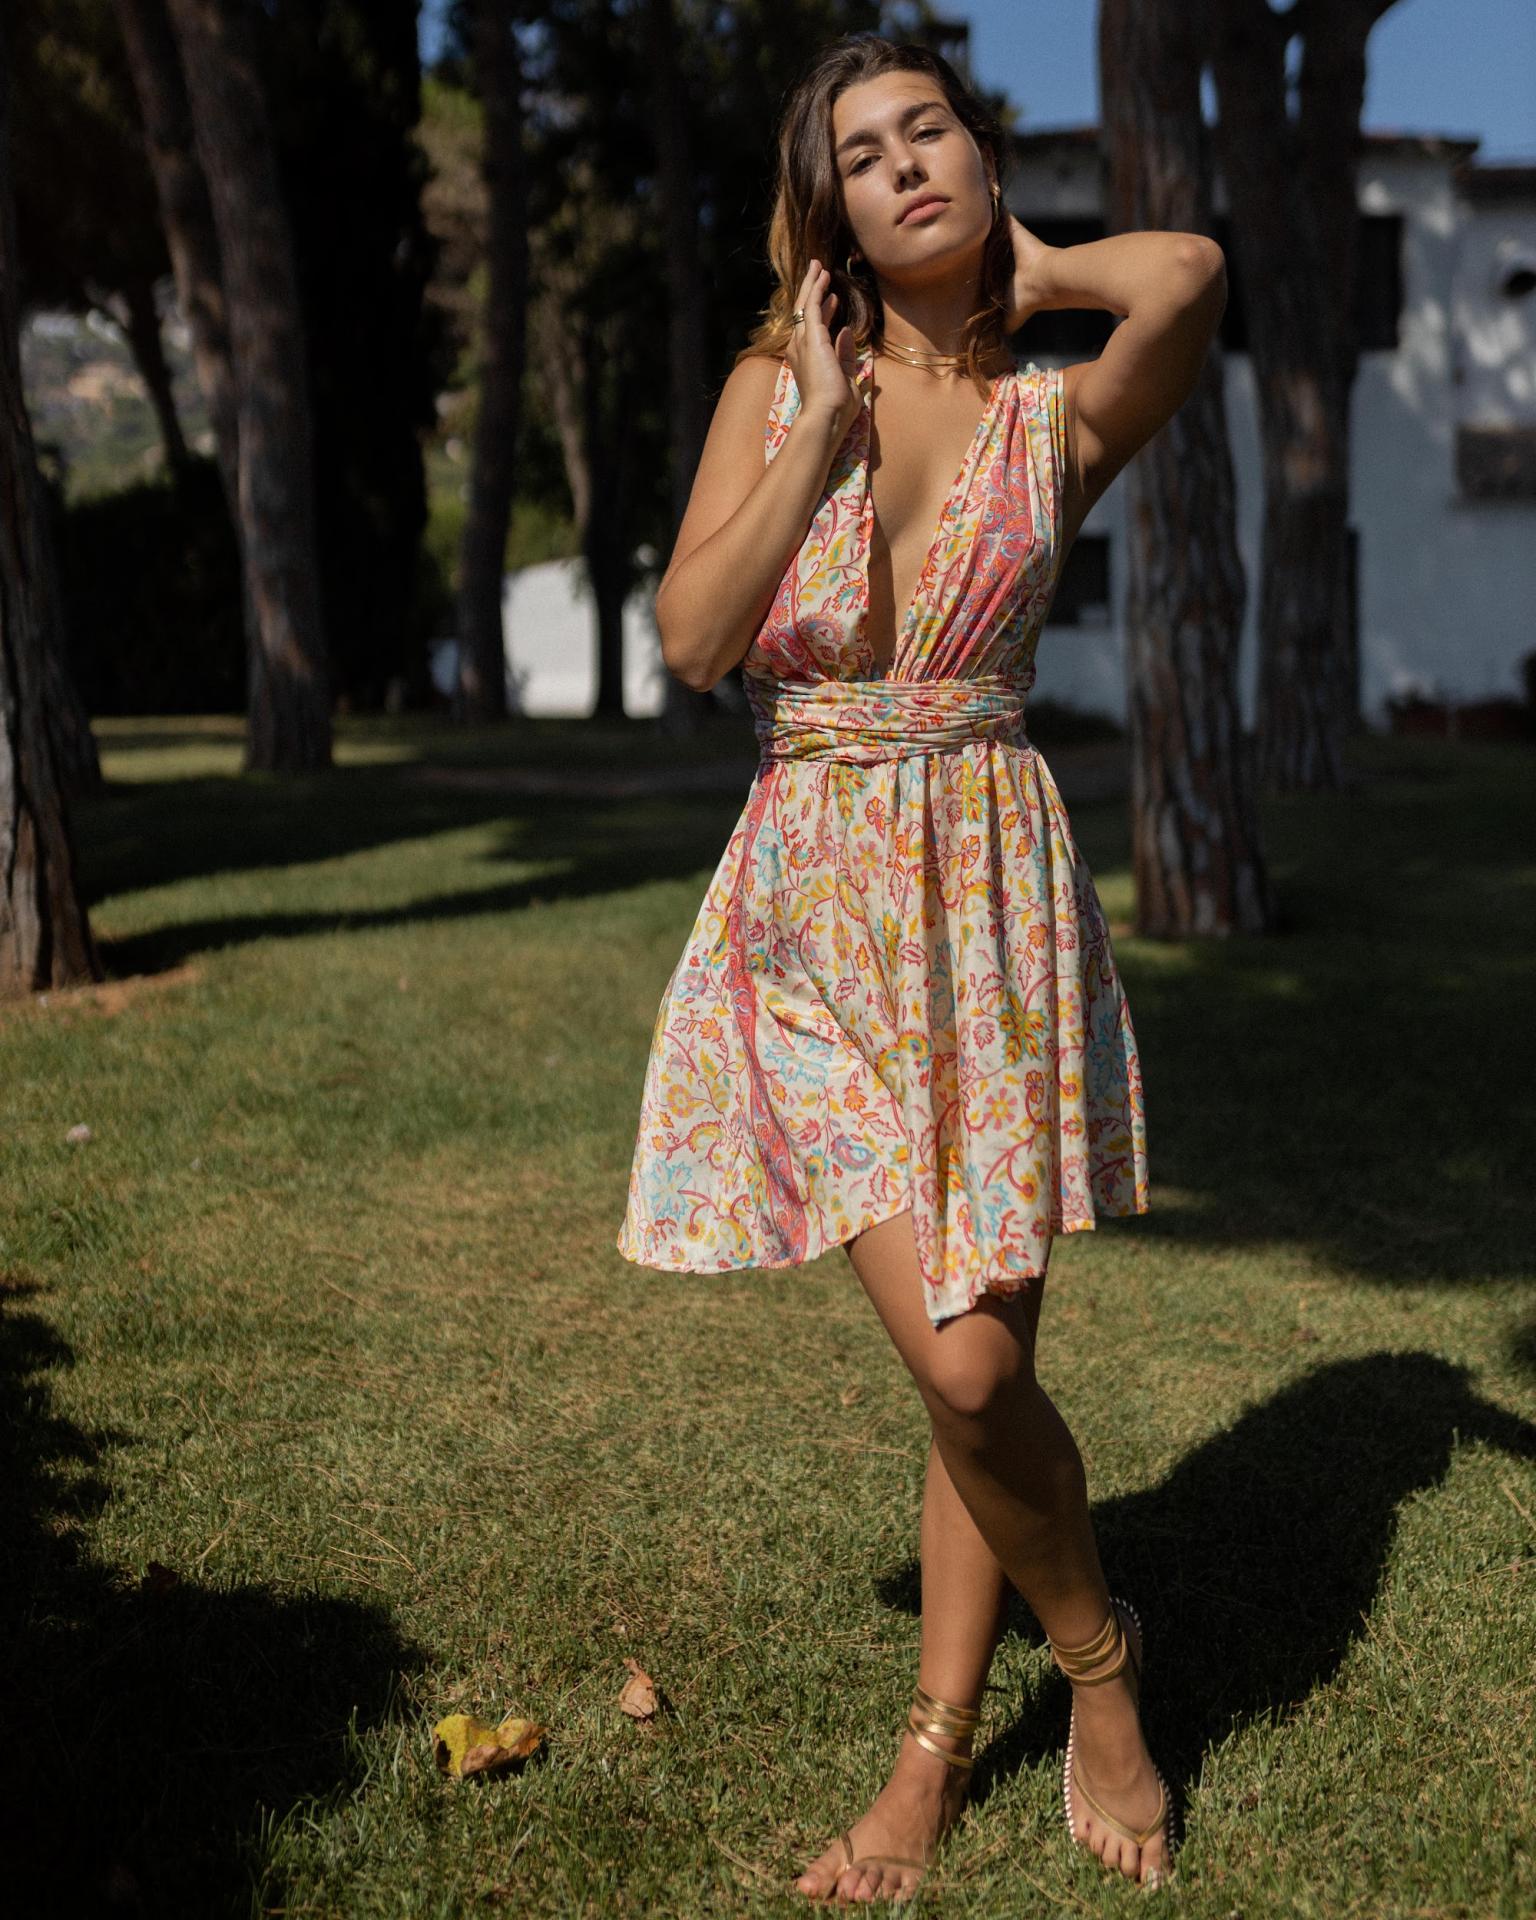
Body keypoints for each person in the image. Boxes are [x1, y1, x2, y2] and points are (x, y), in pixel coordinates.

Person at [616, 31, 1225, 1905]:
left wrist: (1035, 272)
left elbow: (1189, 273)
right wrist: (816, 420)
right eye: (862, 155)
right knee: (961, 1364)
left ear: (981, 156)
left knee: (976, 1372)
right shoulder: (772, 391)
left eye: (929, 129)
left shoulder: (1058, 417)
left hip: (990, 901)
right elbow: (696, 639)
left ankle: (933, 1752)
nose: (904, 165)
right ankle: (1101, 1667)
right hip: (808, 916)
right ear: (829, 221)